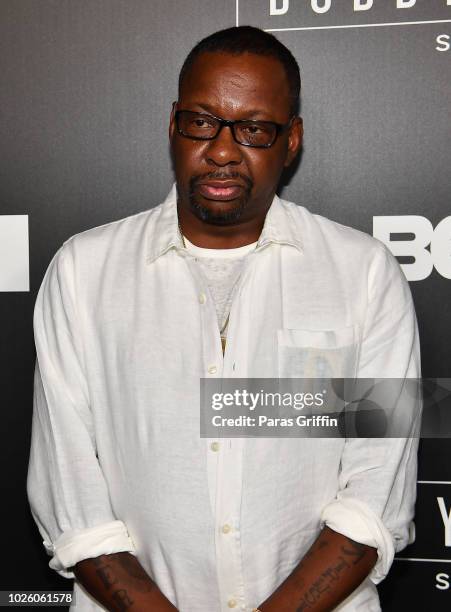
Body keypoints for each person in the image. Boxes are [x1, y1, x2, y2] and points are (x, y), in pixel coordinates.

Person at [27, 26, 420, 612]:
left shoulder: (364, 273)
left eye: (255, 128)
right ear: (173, 124)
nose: (222, 150)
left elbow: (374, 498)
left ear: (292, 141)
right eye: (203, 121)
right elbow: (72, 500)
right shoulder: (83, 271)